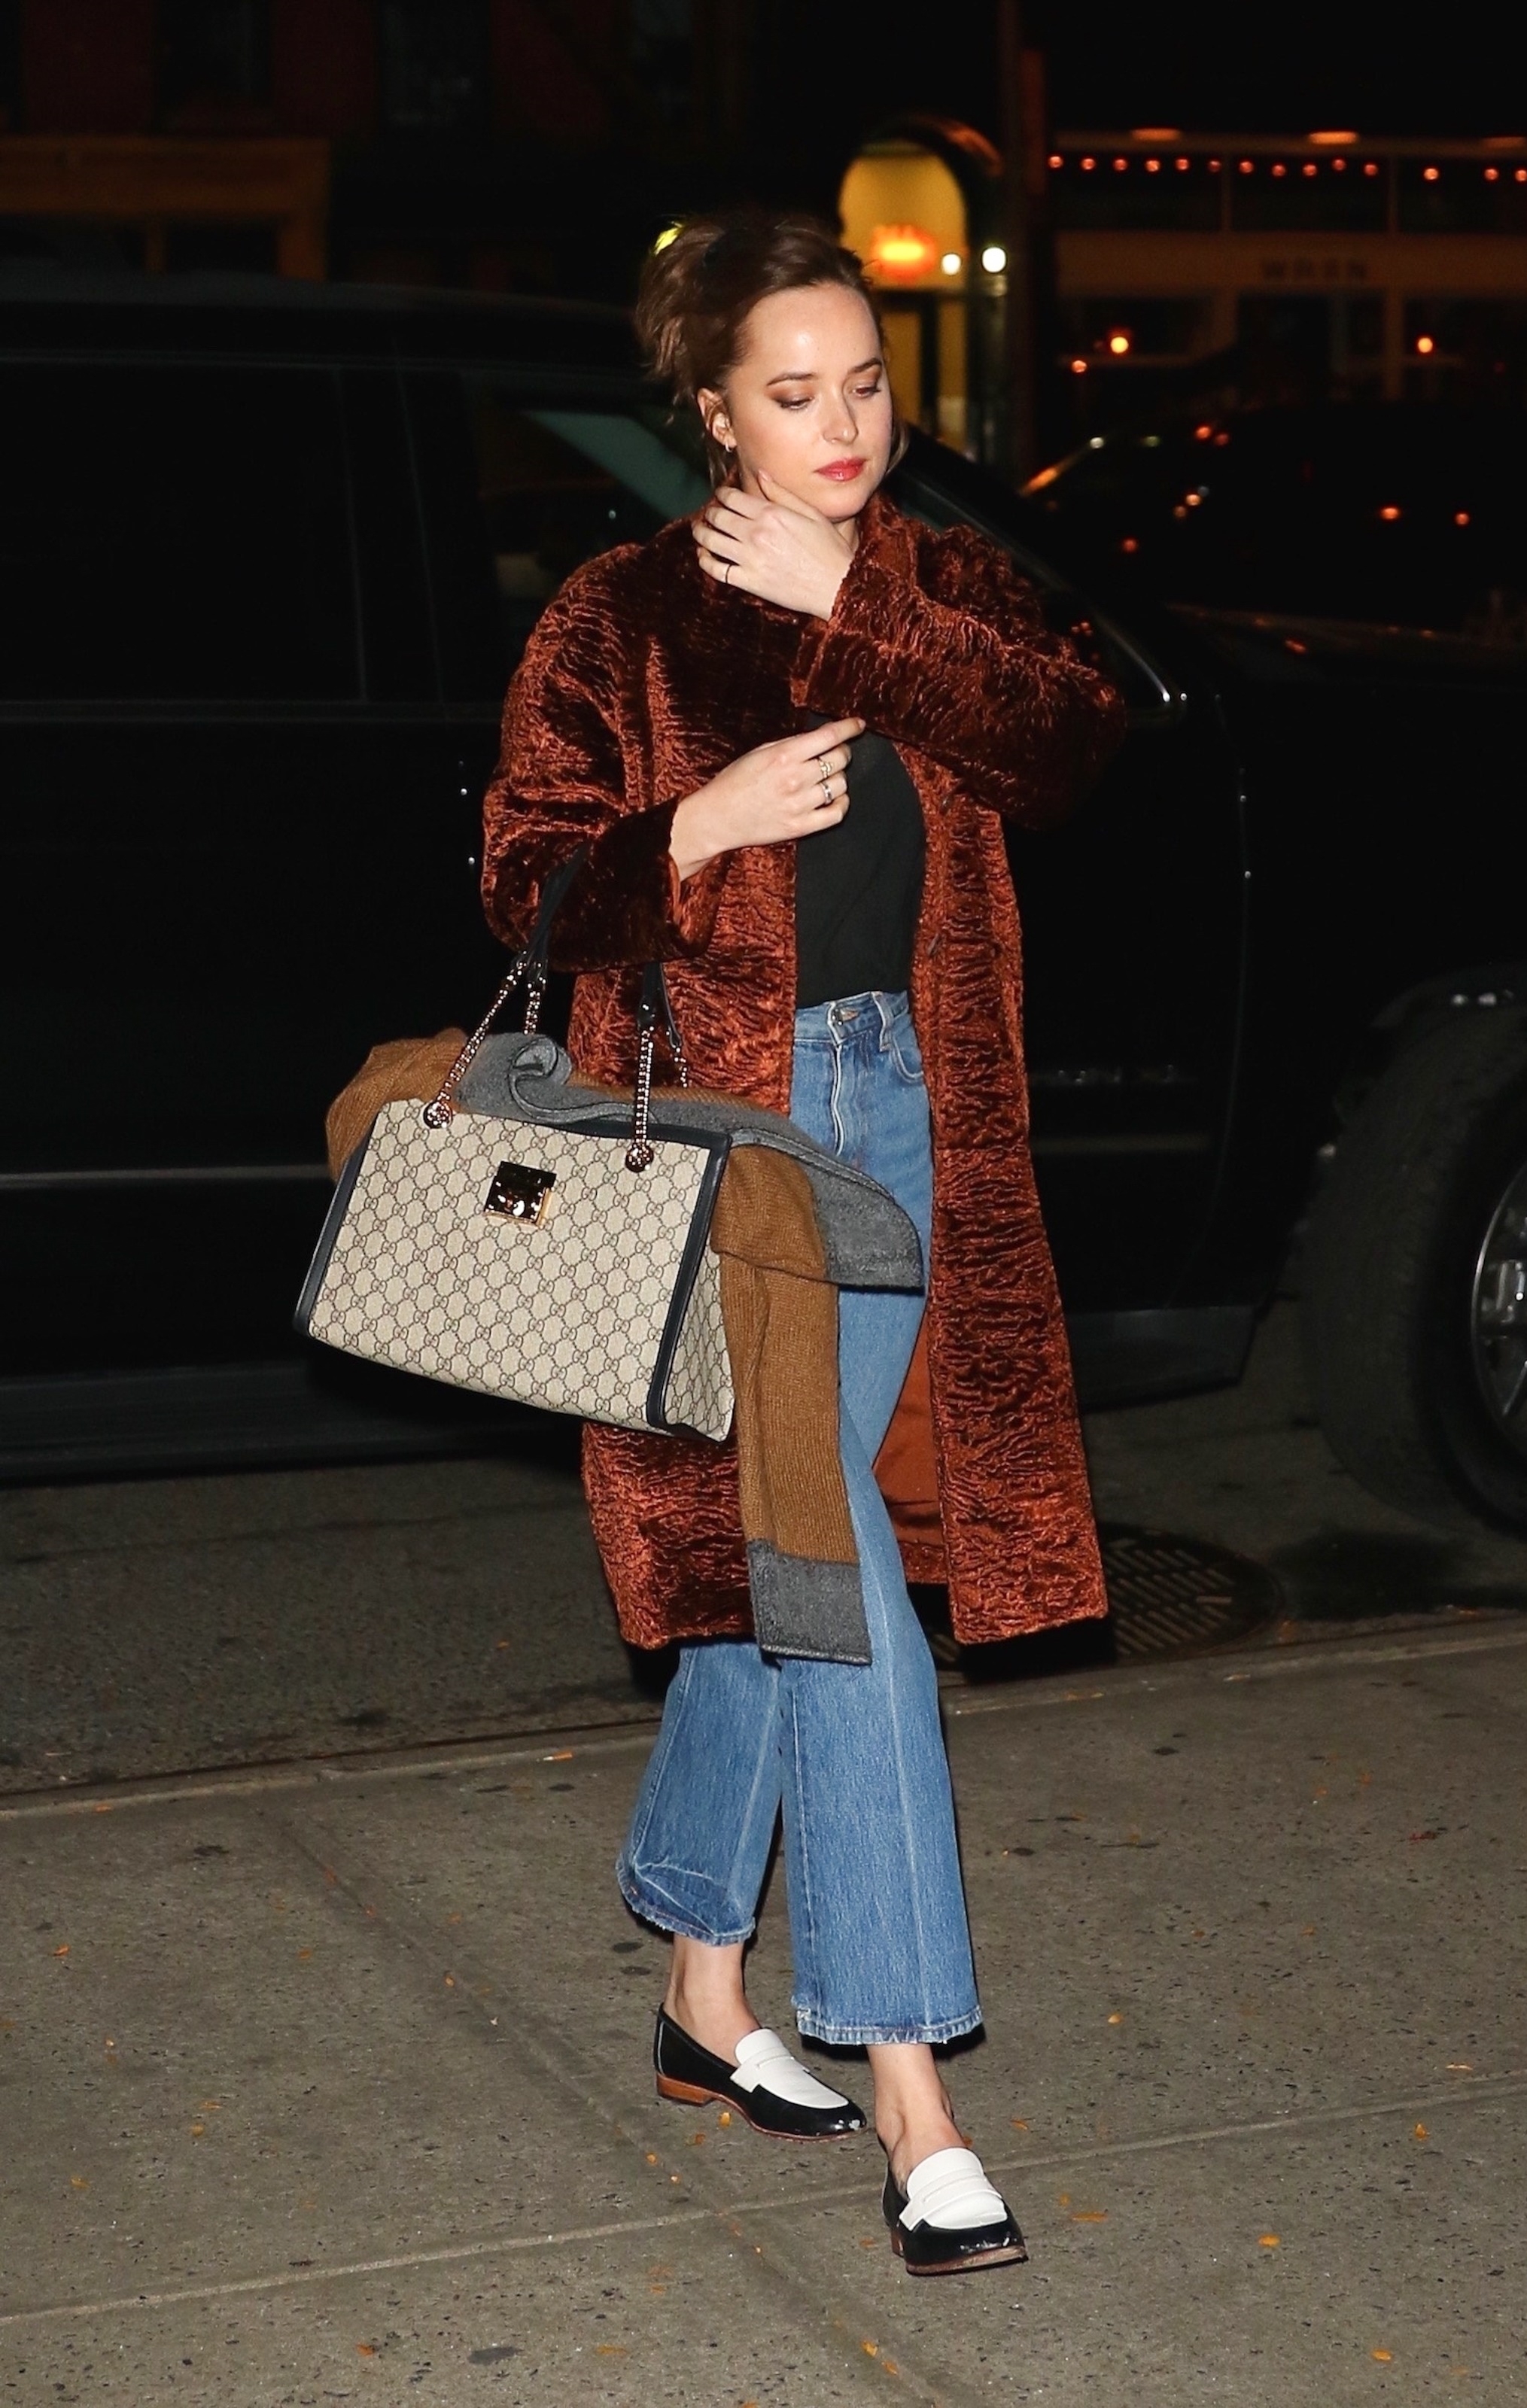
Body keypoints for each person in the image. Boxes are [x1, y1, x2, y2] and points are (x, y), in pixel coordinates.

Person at [481, 206, 1124, 2276]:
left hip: (913, 1109)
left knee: (788, 1557)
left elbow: (1072, 740)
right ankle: (916, 2089)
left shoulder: (934, 587)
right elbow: (524, 881)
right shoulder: (618, 619)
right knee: (832, 1566)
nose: (844, 426)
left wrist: (857, 608)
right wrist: (698, 824)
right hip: (724, 1144)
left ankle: (699, 1976)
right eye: (794, 393)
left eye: (867, 384)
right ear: (710, 410)